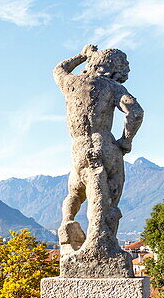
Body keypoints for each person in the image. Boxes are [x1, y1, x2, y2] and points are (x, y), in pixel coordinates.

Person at [53, 43, 142, 273]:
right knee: (109, 196)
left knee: (75, 192)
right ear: (114, 70)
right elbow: (135, 112)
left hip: (79, 148)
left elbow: (59, 68)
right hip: (106, 145)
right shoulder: (112, 87)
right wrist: (126, 141)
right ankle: (104, 244)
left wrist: (83, 55)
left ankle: (67, 229)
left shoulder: (70, 83)